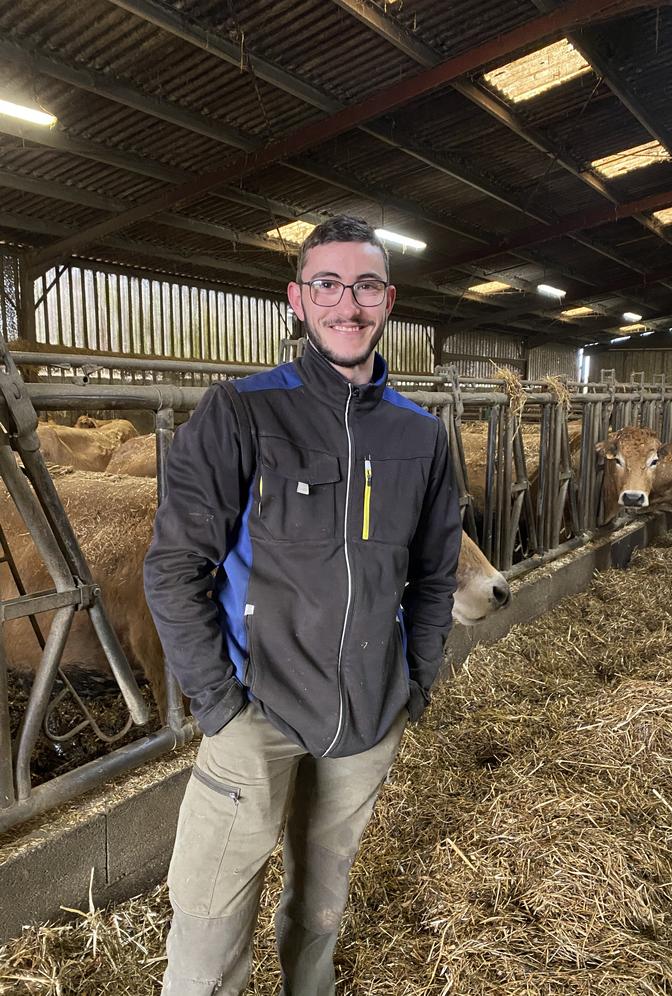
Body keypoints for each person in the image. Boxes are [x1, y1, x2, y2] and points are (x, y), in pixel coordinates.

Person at [143, 215, 462, 995]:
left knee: (321, 909)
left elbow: (432, 576)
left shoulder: (420, 436)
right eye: (327, 284)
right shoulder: (242, 412)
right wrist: (218, 703)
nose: (345, 305)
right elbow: (174, 568)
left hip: (364, 719)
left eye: (363, 287)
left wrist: (413, 685)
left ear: (388, 299)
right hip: (256, 713)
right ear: (296, 298)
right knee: (213, 917)